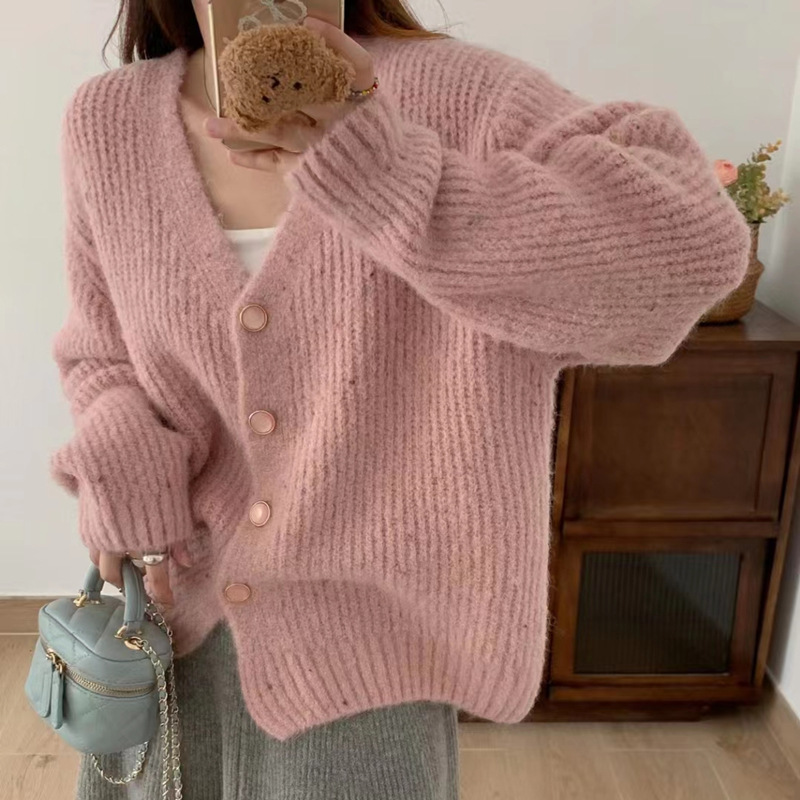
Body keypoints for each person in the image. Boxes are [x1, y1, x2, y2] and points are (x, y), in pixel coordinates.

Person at [50, 0, 751, 797]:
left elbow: (694, 247)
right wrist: (119, 441)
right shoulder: (108, 120)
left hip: (371, 665)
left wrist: (389, 175)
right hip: (162, 632)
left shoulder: (459, 96)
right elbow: (99, 348)